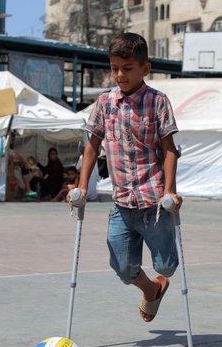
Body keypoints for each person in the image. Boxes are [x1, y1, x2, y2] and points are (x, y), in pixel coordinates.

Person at [69, 32, 182, 322]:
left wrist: (170, 190)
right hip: (121, 204)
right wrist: (82, 186)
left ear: (145, 69)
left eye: (127, 68)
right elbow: (92, 145)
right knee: (122, 269)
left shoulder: (158, 102)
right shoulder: (105, 103)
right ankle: (151, 289)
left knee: (167, 266)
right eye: (114, 68)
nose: (120, 75)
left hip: (154, 204)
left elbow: (170, 150)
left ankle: (162, 278)